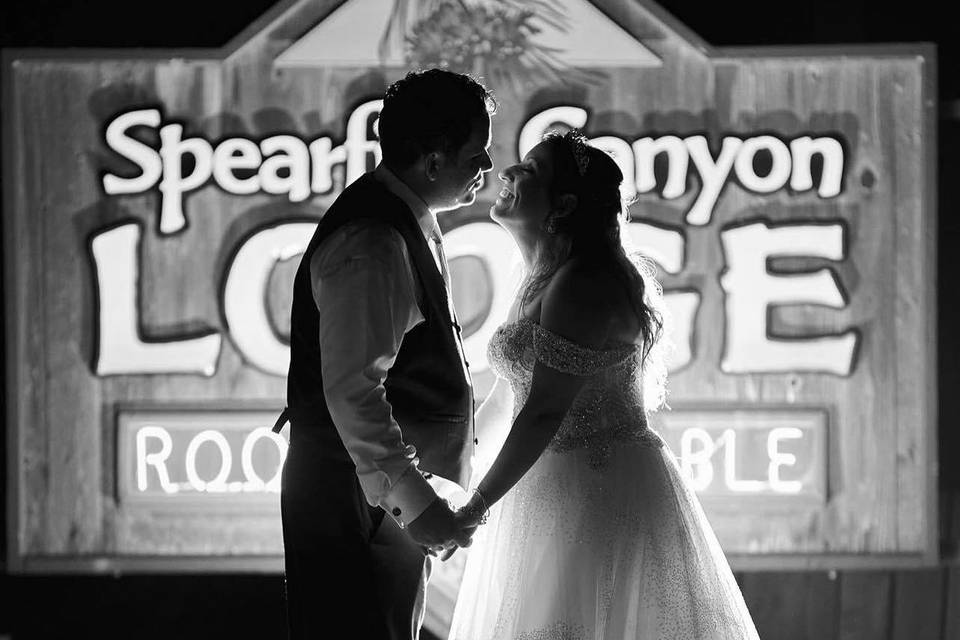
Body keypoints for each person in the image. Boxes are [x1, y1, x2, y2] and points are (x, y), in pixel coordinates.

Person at [448, 130, 760, 640]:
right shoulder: (545, 277)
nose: (508, 174)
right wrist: (451, 471)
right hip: (549, 486)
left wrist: (477, 505)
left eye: (532, 169)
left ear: (564, 203)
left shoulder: (584, 281)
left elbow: (544, 410)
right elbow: (511, 395)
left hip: (593, 492)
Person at [275, 69, 496, 639]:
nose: (488, 168)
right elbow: (352, 391)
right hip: (357, 511)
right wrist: (416, 508)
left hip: (375, 509)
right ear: (432, 160)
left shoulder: (402, 220)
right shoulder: (374, 241)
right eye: (478, 153)